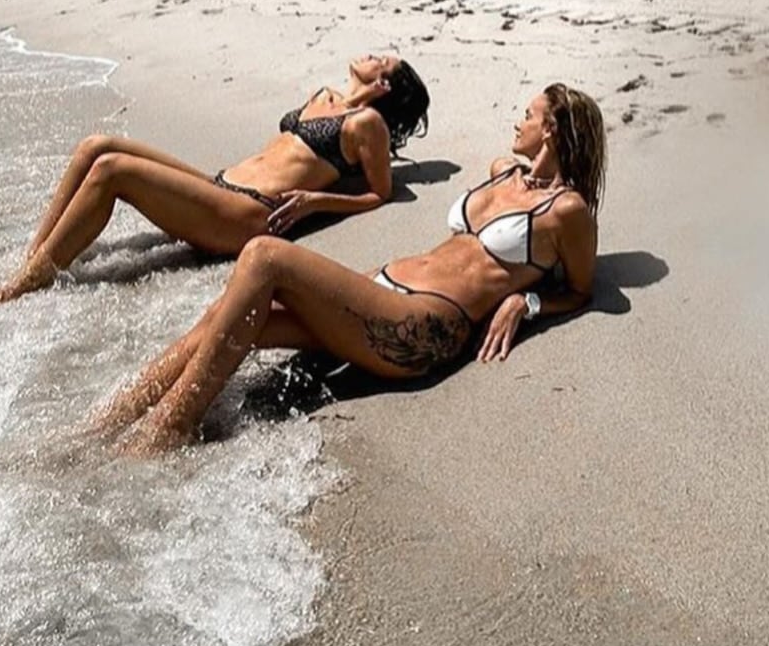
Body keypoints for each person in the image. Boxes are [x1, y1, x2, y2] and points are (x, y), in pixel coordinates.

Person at [95, 83, 605, 452]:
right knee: (225, 315)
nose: (518, 122)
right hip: (379, 293)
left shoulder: (567, 212)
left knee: (265, 256)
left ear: (553, 130)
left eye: (528, 114)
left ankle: (164, 436)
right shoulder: (502, 172)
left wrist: (527, 301)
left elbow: (581, 290)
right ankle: (106, 425)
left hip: (423, 325)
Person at [0, 54, 430, 313]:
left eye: (380, 58)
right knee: (96, 146)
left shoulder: (369, 125)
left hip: (248, 214)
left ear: (384, 85)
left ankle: (19, 289)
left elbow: (378, 194)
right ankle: (36, 260)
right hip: (220, 186)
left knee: (113, 172)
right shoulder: (323, 95)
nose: (369, 54)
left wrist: (313, 201)